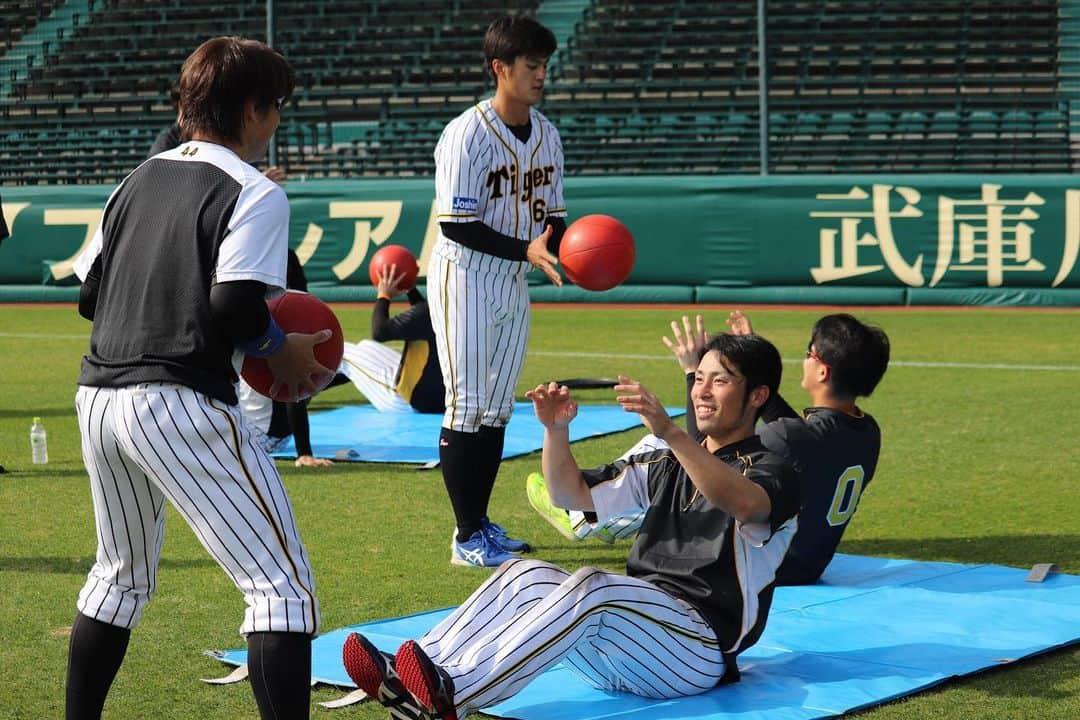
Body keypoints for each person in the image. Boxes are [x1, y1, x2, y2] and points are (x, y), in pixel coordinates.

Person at [68, 37, 328, 719]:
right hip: (176, 398)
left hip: (97, 397)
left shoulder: (136, 179)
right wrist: (281, 348)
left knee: (117, 580)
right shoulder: (251, 189)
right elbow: (234, 305)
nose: (276, 121)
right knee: (282, 589)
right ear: (252, 108)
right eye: (276, 108)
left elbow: (89, 297)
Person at [341, 333, 798, 719]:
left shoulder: (773, 470)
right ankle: (412, 674)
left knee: (594, 585)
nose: (702, 390)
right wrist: (555, 431)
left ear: (757, 395)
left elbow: (741, 502)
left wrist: (674, 433)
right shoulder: (663, 457)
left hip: (696, 651)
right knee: (527, 573)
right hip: (626, 639)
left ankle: (452, 694)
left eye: (720, 381)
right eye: (699, 378)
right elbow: (570, 495)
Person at [529, 311, 890, 587]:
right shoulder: (866, 431)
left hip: (765, 564)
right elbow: (798, 433)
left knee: (665, 448)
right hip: (811, 563)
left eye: (809, 354)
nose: (805, 360)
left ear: (822, 372)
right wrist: (753, 362)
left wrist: (690, 372)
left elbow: (709, 448)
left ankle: (590, 517)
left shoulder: (790, 438)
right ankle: (594, 505)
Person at [427, 14, 566, 567]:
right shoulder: (466, 134)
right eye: (531, 65)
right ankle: (465, 538)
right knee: (466, 406)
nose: (540, 75)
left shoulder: (548, 134)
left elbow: (553, 215)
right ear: (499, 68)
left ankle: (481, 524)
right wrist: (527, 250)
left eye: (544, 65)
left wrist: (570, 250)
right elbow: (455, 223)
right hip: (464, 275)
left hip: (512, 277)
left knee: (495, 412)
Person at [338, 263, 445, 414]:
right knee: (365, 346)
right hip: (442, 399)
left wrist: (384, 295)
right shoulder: (460, 308)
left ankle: (300, 395)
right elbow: (425, 319)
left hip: (405, 402)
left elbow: (379, 332)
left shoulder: (427, 312)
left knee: (342, 352)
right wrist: (410, 289)